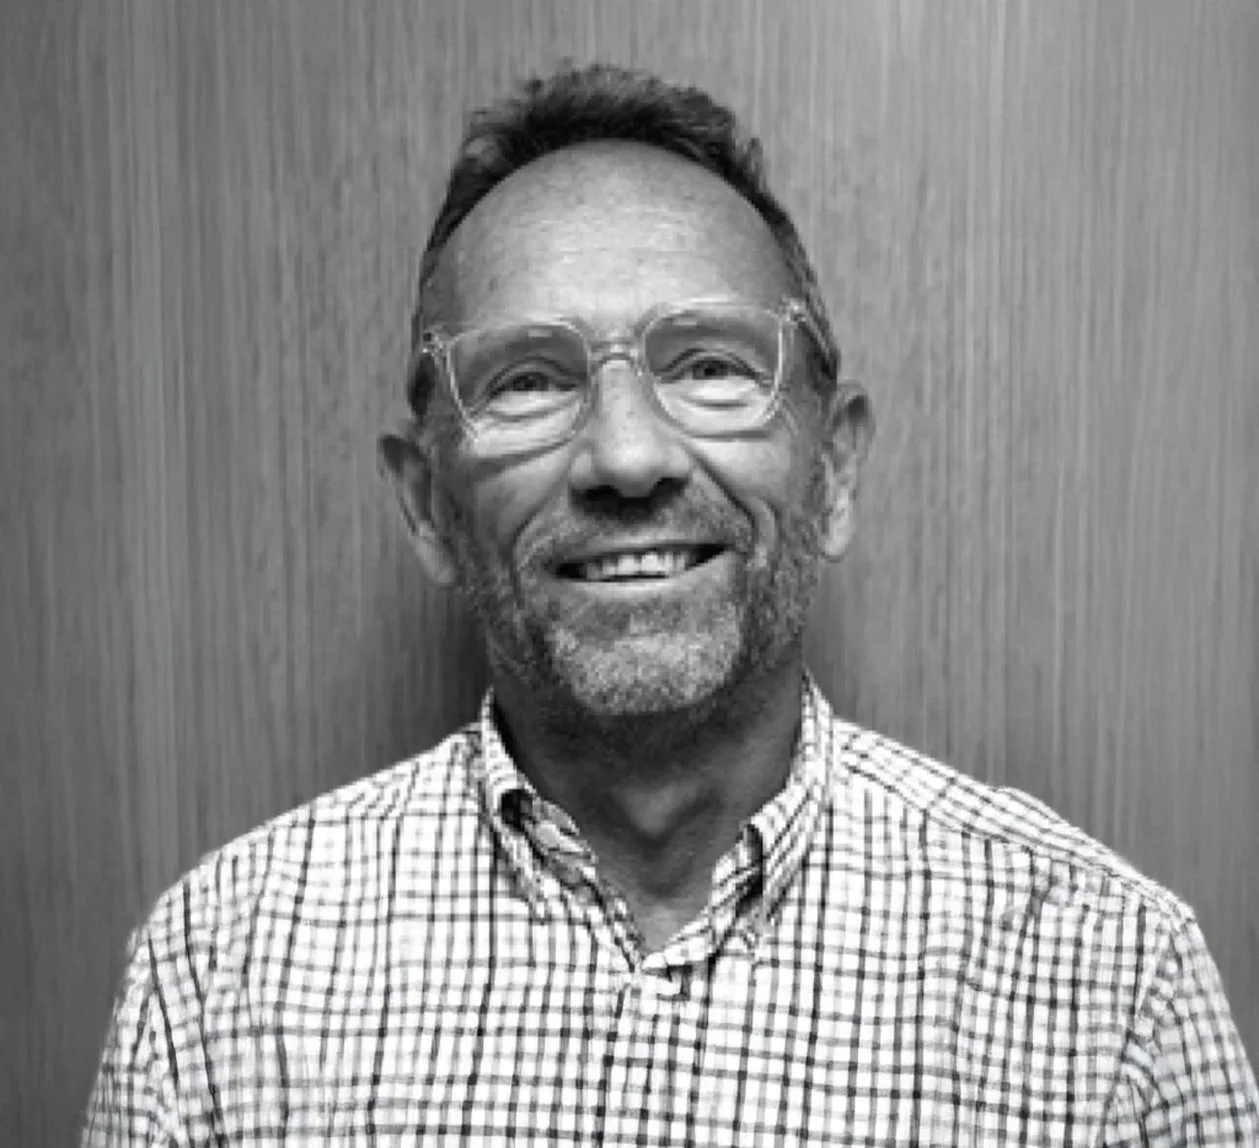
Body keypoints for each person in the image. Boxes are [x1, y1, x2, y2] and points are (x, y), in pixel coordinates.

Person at [83, 62, 1257, 1146]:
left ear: (833, 470)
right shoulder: (217, 977)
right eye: (527, 379)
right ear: (429, 507)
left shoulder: (1108, 988)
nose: (628, 455)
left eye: (708, 364)